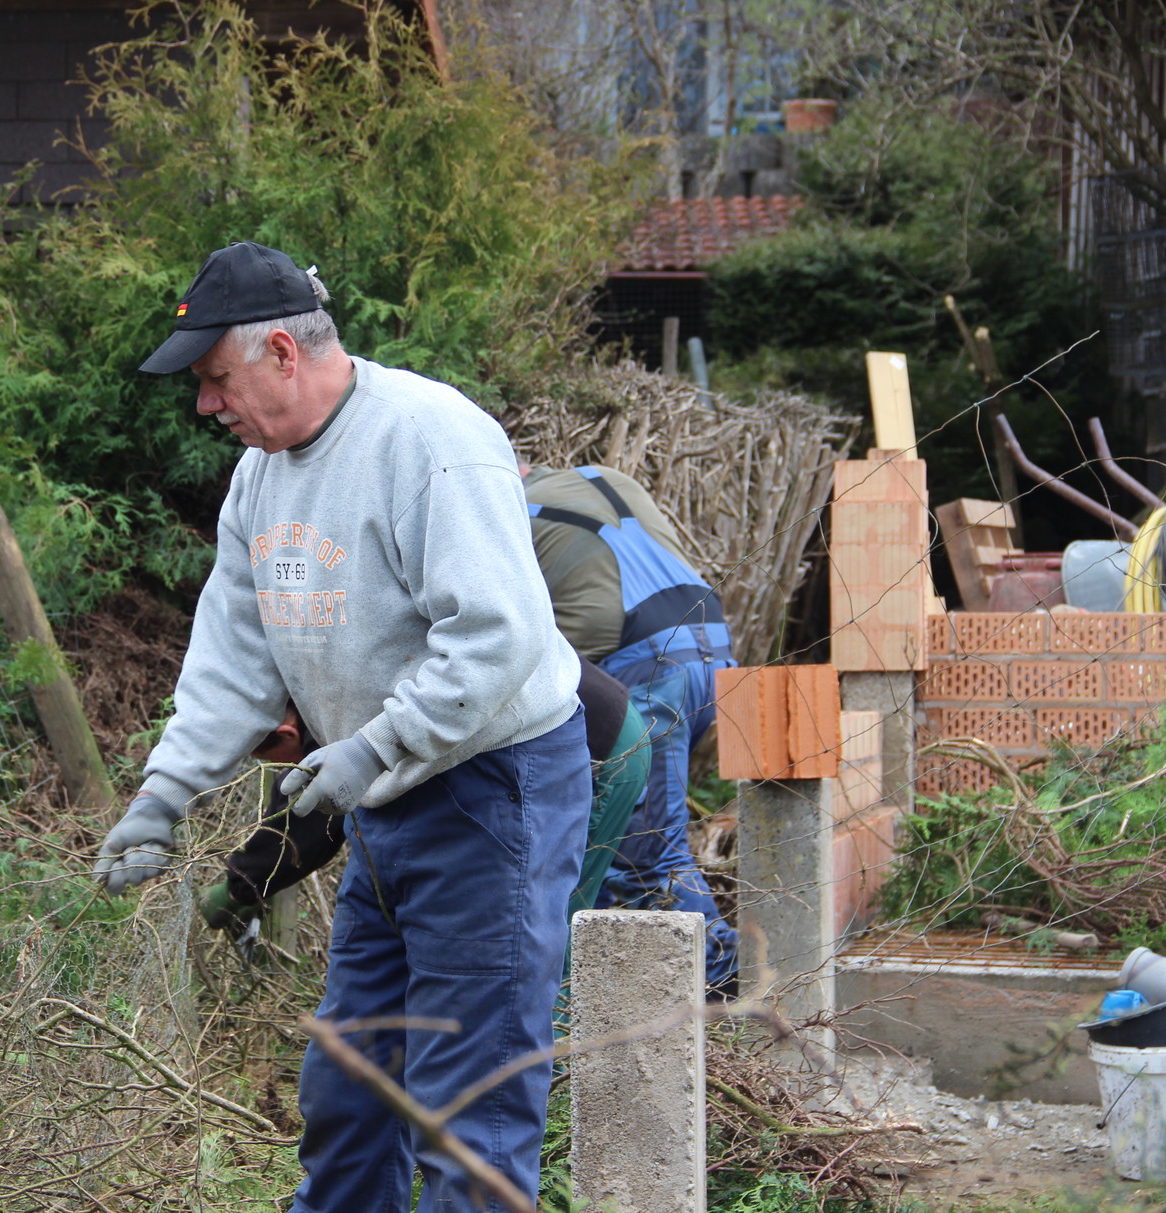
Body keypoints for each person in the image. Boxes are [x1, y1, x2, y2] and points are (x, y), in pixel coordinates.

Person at [92, 241, 592, 1213]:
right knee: (348, 1083)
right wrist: (164, 792)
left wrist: (371, 744)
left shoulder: (427, 441)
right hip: (384, 804)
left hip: (492, 791)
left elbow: (498, 634)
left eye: (212, 378)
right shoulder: (258, 479)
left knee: (469, 1100)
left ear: (281, 350)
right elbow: (231, 659)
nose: (205, 405)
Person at [197, 659, 649, 943]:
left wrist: (236, 889)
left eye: (269, 757)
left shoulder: (337, 713)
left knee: (539, 927)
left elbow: (308, 826)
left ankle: (554, 1074)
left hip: (600, 744)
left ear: (287, 732)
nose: (280, 772)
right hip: (563, 727)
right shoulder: (327, 684)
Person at [520, 462, 739, 993]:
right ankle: (642, 988)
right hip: (711, 651)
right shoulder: (602, 476)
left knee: (646, 850)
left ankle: (722, 983)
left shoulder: (508, 510)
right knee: (631, 839)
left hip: (648, 669)